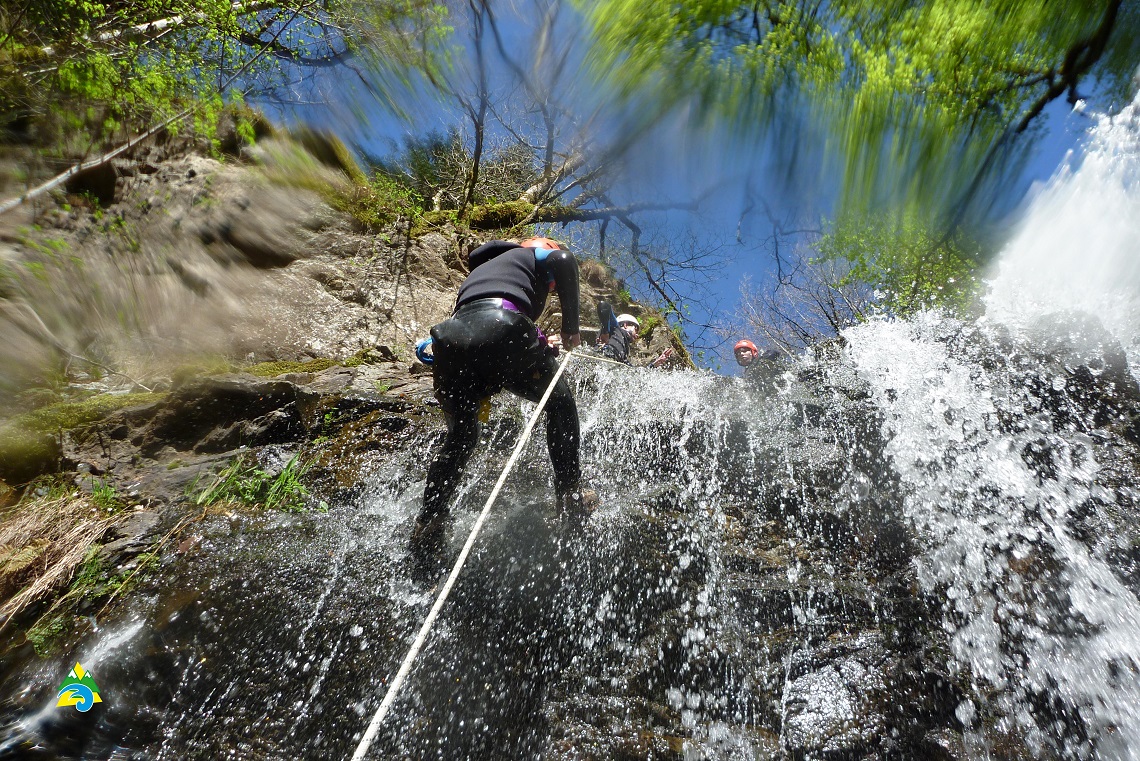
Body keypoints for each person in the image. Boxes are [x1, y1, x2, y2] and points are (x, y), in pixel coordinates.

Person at [411, 237, 593, 574]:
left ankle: (430, 521)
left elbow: (478, 319)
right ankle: (570, 494)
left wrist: (537, 344)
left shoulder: (486, 268)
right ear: (534, 243)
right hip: (502, 329)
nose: (551, 287)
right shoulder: (529, 253)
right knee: (561, 402)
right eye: (548, 243)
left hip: (450, 342)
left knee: (462, 436)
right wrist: (570, 328)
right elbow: (565, 260)